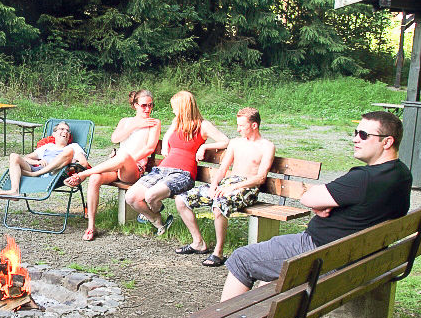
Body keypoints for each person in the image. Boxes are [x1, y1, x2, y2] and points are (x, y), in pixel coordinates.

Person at [175, 111, 412, 318]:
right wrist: (328, 203)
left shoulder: (363, 179)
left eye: (363, 134)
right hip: (360, 259)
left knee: (242, 258)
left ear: (387, 141)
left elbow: (308, 197)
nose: (355, 138)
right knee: (269, 263)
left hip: (318, 253)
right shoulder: (401, 175)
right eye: (355, 132)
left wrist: (323, 202)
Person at [174, 107, 275, 267]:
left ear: (254, 125)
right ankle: (198, 242)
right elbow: (222, 169)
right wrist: (214, 184)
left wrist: (232, 188)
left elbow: (260, 178)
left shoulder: (267, 146)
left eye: (242, 126)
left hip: (248, 187)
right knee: (182, 199)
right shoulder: (235, 143)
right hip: (227, 183)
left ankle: (218, 253)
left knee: (219, 204)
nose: (238, 129)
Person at [124, 91, 229, 236]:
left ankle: (155, 212)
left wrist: (204, 147)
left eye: (175, 107)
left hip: (183, 173)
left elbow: (225, 141)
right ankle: (157, 220)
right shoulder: (176, 121)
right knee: (131, 197)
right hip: (162, 170)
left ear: (183, 107)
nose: (173, 110)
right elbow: (167, 135)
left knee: (150, 196)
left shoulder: (203, 125)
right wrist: (166, 145)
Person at [65, 90, 161, 241]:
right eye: (143, 105)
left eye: (150, 105)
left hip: (134, 170)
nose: (147, 109)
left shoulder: (154, 123)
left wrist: (126, 160)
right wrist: (136, 125)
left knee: (122, 155)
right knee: (96, 178)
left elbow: (149, 148)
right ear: (135, 105)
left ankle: (83, 174)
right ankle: (91, 226)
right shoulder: (125, 121)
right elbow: (115, 138)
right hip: (118, 167)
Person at [0, 121, 89, 197]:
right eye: (62, 129)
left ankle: (35, 174)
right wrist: (38, 162)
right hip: (38, 169)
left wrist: (71, 165)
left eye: (68, 131)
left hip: (57, 173)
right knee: (13, 156)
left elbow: (83, 164)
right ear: (54, 134)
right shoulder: (48, 146)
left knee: (69, 151)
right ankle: (14, 190)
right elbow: (26, 158)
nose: (65, 132)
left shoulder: (73, 146)